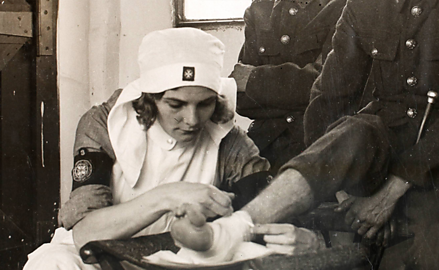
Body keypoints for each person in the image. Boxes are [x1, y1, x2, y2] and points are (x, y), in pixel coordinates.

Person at [173, 0, 439, 268]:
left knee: (421, 255)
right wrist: (345, 192)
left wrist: (393, 189)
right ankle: (229, 231)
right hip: (376, 150)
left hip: (430, 161)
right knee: (358, 129)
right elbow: (329, 98)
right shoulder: (365, 6)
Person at [22, 27, 271, 270]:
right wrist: (168, 196)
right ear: (150, 97)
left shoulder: (228, 139)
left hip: (179, 257)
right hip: (98, 254)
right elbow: (86, 232)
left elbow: (266, 213)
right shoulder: (105, 123)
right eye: (176, 104)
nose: (192, 119)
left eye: (204, 104)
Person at [231, 0, 347, 173]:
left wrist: (256, 81)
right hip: (264, 148)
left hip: (319, 148)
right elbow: (241, 98)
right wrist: (302, 94)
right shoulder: (260, 8)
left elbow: (333, 88)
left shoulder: (346, 7)